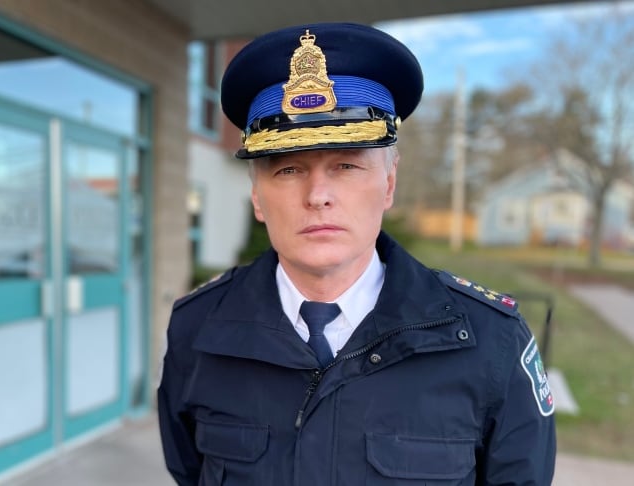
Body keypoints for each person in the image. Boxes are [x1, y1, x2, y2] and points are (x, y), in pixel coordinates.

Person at [158, 22, 556, 485]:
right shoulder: (197, 328)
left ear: (388, 182)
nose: (318, 195)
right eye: (288, 169)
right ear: (257, 196)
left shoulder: (491, 342)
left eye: (346, 165)